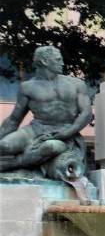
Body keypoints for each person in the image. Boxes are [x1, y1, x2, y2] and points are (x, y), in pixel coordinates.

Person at [0, 46, 93, 196]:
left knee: (50, 146)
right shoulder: (27, 87)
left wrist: (65, 133)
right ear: (44, 61)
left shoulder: (75, 84)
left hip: (66, 132)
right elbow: (13, 120)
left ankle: (10, 165)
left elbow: (86, 114)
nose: (62, 63)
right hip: (36, 129)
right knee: (4, 145)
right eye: (58, 60)